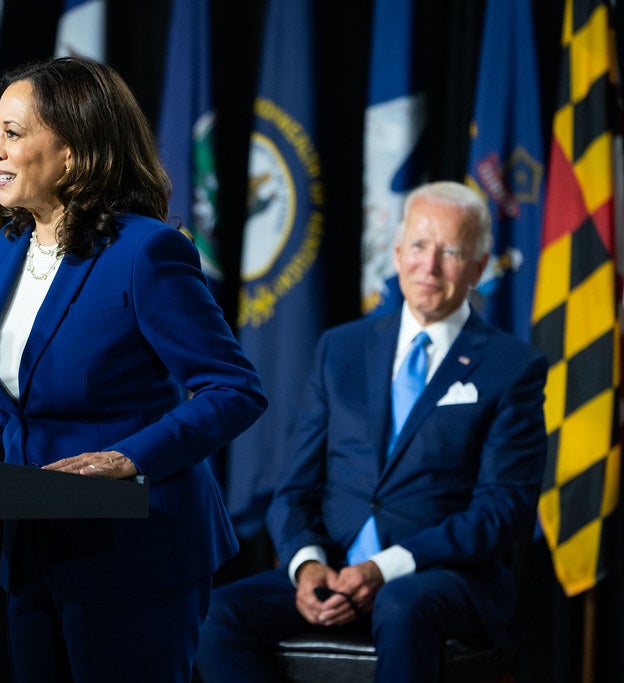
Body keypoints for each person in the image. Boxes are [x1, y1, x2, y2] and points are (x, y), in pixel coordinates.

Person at [0, 56, 267, 683]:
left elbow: (234, 389)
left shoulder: (145, 252)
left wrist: (129, 459)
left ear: (72, 152)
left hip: (136, 555)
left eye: (12, 135)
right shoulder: (8, 248)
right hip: (36, 552)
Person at [195, 181, 548, 683]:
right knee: (215, 613)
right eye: (420, 246)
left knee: (402, 604)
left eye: (450, 251)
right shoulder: (340, 349)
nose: (429, 266)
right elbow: (294, 489)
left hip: (442, 578)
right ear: (398, 252)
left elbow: (502, 512)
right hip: (335, 569)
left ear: (478, 265)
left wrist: (388, 567)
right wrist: (308, 565)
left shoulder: (512, 367)